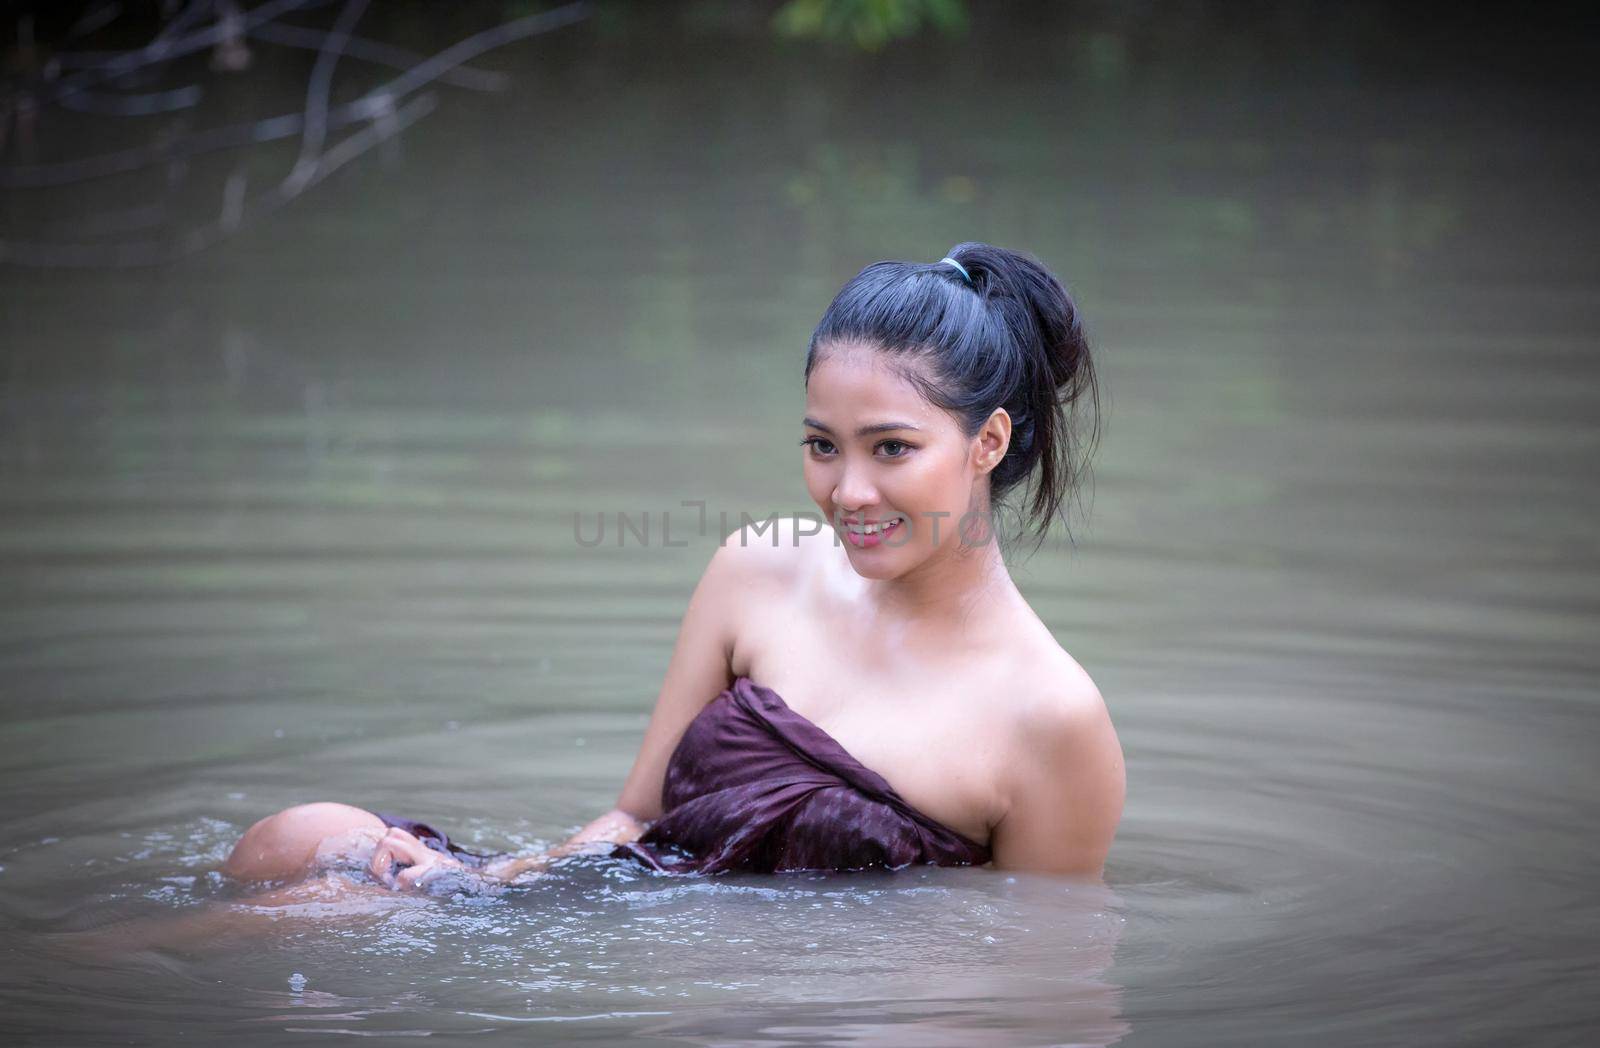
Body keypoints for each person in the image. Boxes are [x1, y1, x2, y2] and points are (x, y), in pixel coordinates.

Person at [220, 242, 1126, 894]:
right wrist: (487, 886)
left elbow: (1032, 960)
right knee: (297, 842)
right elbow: (635, 822)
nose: (847, 491)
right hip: (613, 926)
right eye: (822, 445)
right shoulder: (759, 570)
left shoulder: (1049, 718)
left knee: (324, 923)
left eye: (891, 448)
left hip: (825, 1007)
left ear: (987, 441)